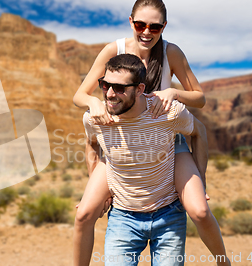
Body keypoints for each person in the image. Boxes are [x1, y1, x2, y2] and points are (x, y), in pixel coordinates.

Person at [72, 1, 229, 266]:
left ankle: (223, 260)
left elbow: (199, 98)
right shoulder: (115, 51)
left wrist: (174, 92)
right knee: (85, 212)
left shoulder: (171, 52)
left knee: (198, 209)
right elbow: (79, 95)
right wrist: (94, 103)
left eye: (154, 26)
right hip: (121, 139)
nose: (147, 32)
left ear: (164, 26)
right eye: (140, 24)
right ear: (130, 21)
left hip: (166, 137)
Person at [84, 53, 208, 265]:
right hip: (123, 217)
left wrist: (200, 180)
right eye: (105, 86)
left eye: (120, 88)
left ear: (140, 89)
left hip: (169, 213)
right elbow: (91, 142)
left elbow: (199, 126)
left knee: (201, 211)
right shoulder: (95, 116)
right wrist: (98, 188)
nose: (111, 94)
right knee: (83, 214)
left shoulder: (169, 112)